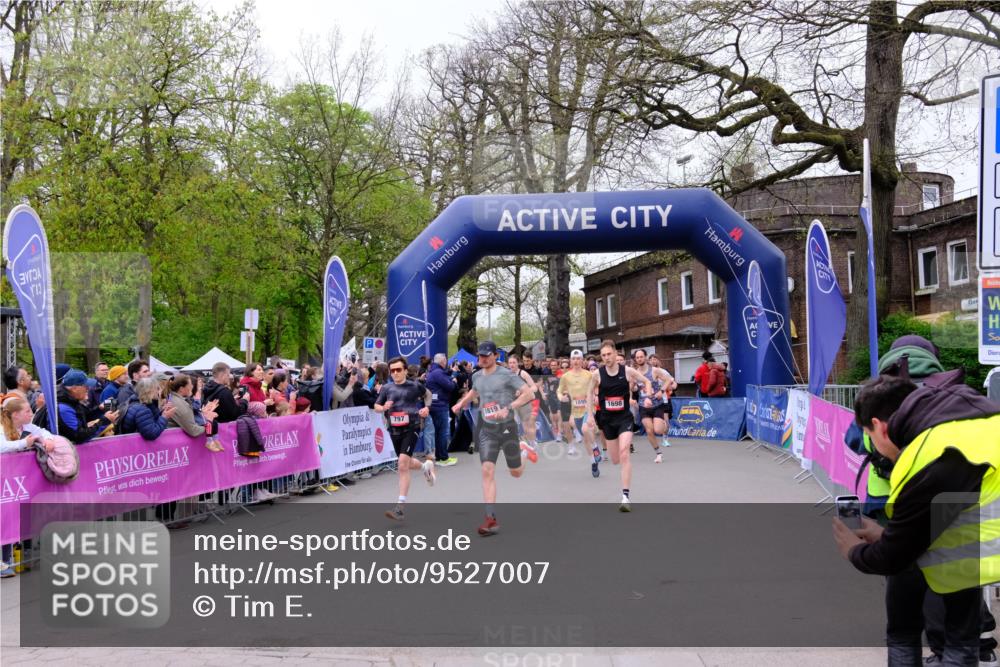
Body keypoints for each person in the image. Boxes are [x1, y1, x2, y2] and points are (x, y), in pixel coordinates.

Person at [833, 372, 1000, 666]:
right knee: (961, 639)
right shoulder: (970, 420)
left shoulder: (930, 457)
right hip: (965, 553)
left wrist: (853, 550)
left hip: (968, 556)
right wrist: (889, 535)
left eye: (870, 438)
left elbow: (895, 556)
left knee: (910, 634)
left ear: (877, 426)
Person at [451, 340, 535, 536]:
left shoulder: (506, 374)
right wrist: (461, 403)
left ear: (496, 356)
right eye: (480, 355)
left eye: (486, 355)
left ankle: (524, 452)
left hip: (507, 427)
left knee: (516, 473)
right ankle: (490, 518)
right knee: (487, 470)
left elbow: (528, 393)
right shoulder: (476, 375)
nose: (482, 358)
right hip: (487, 429)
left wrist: (509, 408)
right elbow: (475, 391)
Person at [588, 340, 652, 512]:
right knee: (615, 459)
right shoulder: (598, 374)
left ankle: (625, 496)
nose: (607, 358)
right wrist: (589, 415)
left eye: (609, 354)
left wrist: (648, 395)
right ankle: (601, 453)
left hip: (624, 418)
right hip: (607, 421)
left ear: (615, 353)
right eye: (603, 355)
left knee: (625, 454)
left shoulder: (627, 371)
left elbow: (646, 382)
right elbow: (588, 393)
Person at [1, 395, 58, 578]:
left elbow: (43, 432)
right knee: (5, 519)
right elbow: (2, 447)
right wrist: (24, 443)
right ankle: (4, 561)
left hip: (17, 480)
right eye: (27, 411)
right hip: (5, 481)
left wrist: (48, 440)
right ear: (16, 414)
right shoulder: (2, 428)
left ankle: (12, 559)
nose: (31, 413)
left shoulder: (27, 427)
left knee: (15, 517)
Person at [375, 356, 436, 521]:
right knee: (406, 462)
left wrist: (426, 408)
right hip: (394, 430)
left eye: (398, 370)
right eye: (392, 370)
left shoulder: (414, 386)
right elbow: (376, 406)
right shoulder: (386, 388)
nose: (395, 373)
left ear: (405, 370)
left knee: (402, 464)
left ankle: (400, 507)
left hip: (412, 427)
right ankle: (425, 467)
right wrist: (382, 408)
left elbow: (428, 395)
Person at [32, 370, 118, 444]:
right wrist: (104, 421)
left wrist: (99, 409)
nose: (88, 389)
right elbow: (79, 436)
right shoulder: (63, 408)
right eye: (86, 386)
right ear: (74, 388)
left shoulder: (69, 400)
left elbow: (83, 416)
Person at [558, 349, 600, 474]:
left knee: (585, 429)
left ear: (582, 361)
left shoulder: (589, 375)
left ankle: (595, 447)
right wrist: (562, 397)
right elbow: (559, 391)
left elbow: (597, 386)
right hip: (575, 410)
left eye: (578, 359)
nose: (576, 361)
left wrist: (595, 395)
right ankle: (593, 462)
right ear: (571, 361)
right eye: (574, 359)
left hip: (589, 408)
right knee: (585, 437)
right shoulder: (565, 377)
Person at [631, 348, 677, 462]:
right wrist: (632, 392)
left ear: (645, 357)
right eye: (637, 357)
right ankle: (658, 453)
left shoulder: (654, 370)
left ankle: (665, 427)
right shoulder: (635, 373)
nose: (639, 359)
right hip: (644, 406)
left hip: (657, 405)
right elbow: (631, 387)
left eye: (641, 356)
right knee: (649, 430)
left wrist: (661, 391)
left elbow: (668, 380)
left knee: (658, 430)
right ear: (635, 360)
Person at [166, 375, 221, 450]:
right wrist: (208, 423)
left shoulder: (175, 398)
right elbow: (193, 431)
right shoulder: (180, 404)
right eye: (190, 384)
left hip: (176, 445)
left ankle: (213, 440)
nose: (192, 386)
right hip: (176, 446)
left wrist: (204, 413)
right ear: (181, 389)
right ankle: (211, 441)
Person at [425, 353, 458, 467]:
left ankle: (440, 457)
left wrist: (450, 375)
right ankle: (443, 458)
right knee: (442, 432)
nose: (446, 363)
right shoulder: (438, 373)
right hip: (439, 405)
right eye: (445, 361)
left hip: (435, 404)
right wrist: (454, 381)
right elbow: (449, 386)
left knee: (439, 432)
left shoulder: (433, 371)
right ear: (442, 361)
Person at [506, 354, 540, 463]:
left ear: (518, 363)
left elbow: (534, 387)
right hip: (513, 403)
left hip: (525, 403)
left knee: (526, 426)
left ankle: (532, 444)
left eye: (514, 363)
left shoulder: (523, 373)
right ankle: (523, 445)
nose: (511, 365)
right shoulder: (506, 375)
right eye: (510, 363)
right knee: (513, 426)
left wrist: (523, 391)